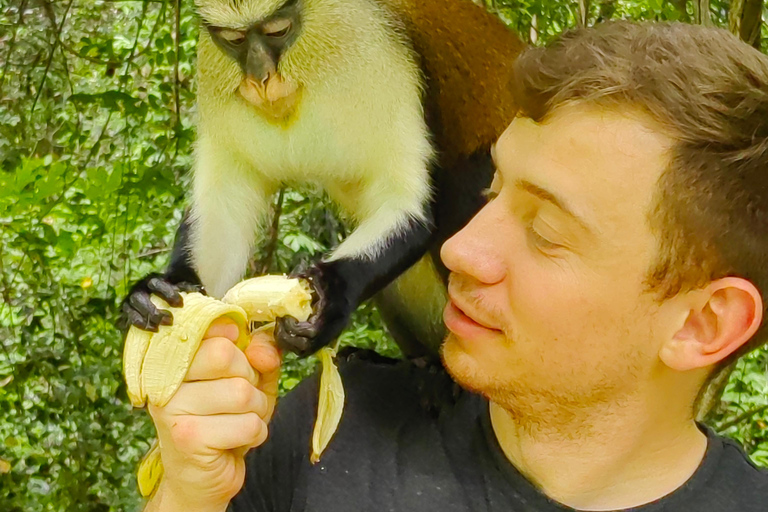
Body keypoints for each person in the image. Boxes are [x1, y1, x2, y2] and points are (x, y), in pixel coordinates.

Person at [141, 21, 768, 512]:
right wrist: (189, 495)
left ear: (704, 324)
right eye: (492, 192)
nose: (455, 249)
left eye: (547, 233)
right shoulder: (321, 430)